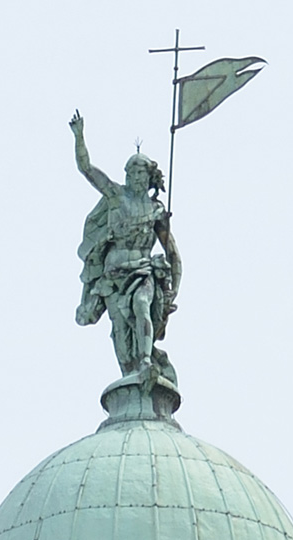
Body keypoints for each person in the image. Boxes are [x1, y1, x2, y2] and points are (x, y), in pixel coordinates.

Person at [70, 111, 181, 382]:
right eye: (128, 171)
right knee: (120, 331)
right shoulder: (116, 195)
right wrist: (79, 136)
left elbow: (173, 254)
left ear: (148, 175)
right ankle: (132, 373)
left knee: (142, 305)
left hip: (143, 270)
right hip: (113, 274)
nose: (131, 175)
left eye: (137, 171)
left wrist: (172, 292)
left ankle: (145, 362)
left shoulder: (156, 210)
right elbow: (87, 169)